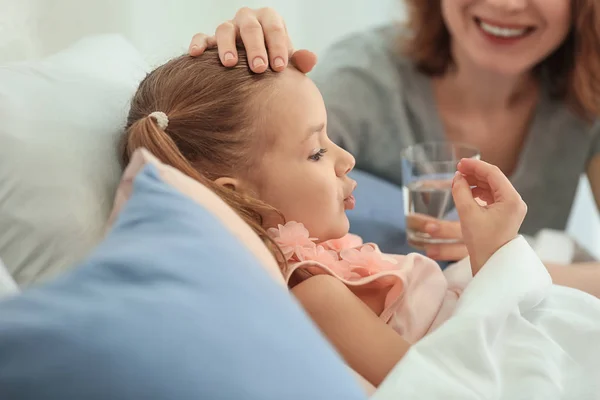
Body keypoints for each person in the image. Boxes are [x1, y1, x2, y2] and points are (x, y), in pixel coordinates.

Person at [120, 48, 600, 387]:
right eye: (316, 151)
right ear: (237, 195)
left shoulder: (326, 265)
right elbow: (437, 385)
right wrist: (497, 259)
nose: (346, 158)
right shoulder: (316, 292)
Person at [187, 1, 600, 265]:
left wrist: (500, 261)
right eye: (318, 152)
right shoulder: (362, 78)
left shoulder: (590, 93)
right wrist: (224, 86)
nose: (505, 4)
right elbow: (227, 176)